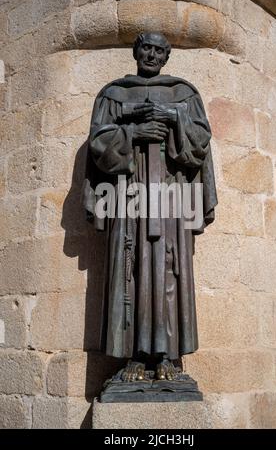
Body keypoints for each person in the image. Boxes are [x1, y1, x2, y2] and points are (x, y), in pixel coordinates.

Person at [82, 32, 217, 381]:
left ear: (167, 56)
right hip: (128, 200)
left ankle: (167, 355)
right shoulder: (113, 94)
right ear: (136, 51)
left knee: (168, 269)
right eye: (146, 48)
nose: (152, 56)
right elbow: (99, 143)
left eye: (159, 50)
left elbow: (200, 142)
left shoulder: (183, 93)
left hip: (171, 198)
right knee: (130, 270)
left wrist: (173, 117)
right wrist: (134, 135)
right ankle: (134, 356)